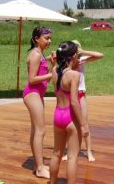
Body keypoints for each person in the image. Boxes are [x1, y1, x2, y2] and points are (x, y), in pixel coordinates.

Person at [49, 41, 89, 184]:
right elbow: (73, 101)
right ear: (72, 57)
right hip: (70, 118)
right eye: (77, 55)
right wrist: (83, 125)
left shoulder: (54, 71)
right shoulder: (74, 75)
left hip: (57, 115)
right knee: (72, 157)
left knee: (56, 153)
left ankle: (52, 182)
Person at [61, 40, 103, 162]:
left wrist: (83, 52)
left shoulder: (82, 59)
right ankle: (70, 150)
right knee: (71, 124)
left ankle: (89, 151)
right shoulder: (67, 62)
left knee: (84, 122)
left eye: (77, 47)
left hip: (80, 94)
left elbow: (100, 55)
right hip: (69, 95)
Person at [23, 26, 55, 179]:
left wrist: (52, 63)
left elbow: (44, 70)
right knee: (41, 130)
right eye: (46, 38)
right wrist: (51, 74)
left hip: (37, 94)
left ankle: (37, 164)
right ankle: (40, 167)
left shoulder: (40, 54)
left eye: (50, 38)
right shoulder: (35, 54)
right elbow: (32, 79)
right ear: (37, 39)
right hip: (32, 93)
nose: (49, 41)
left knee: (36, 130)